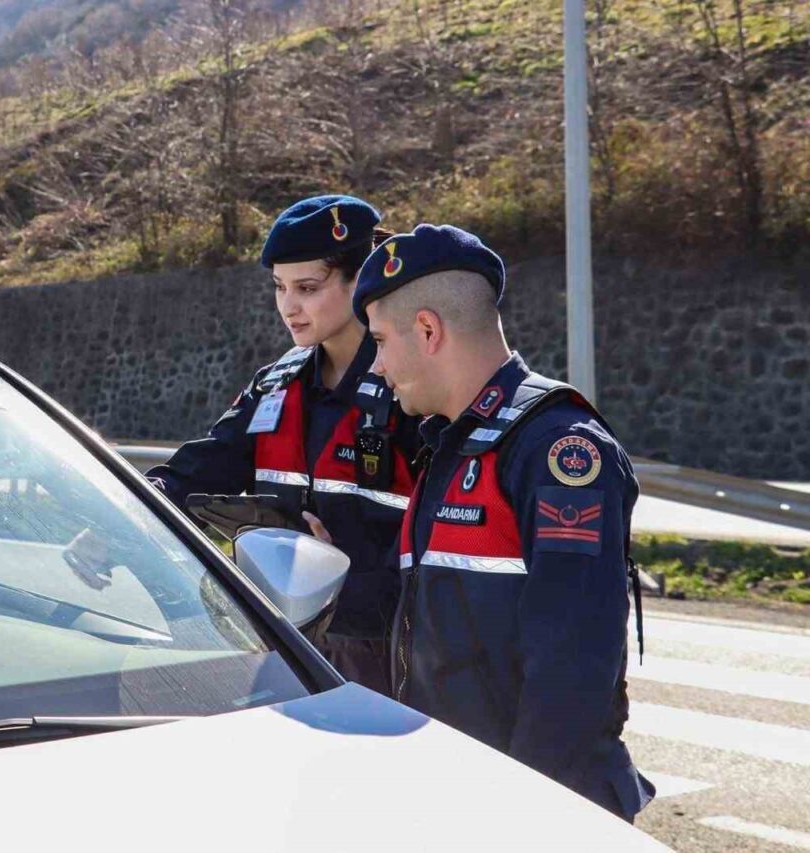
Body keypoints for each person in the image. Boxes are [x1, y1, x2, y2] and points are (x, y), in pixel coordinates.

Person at [352, 223, 654, 822]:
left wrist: (518, 818)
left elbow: (571, 675)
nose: (377, 366)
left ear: (428, 330)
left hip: (530, 811)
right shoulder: (451, 446)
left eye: (380, 342)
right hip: (461, 793)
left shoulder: (555, 449)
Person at [142, 194, 422, 693]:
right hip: (284, 644)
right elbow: (198, 469)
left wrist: (346, 584)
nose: (289, 307)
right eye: (279, 287)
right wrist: (123, 511)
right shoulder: (276, 384)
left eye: (307, 288)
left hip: (387, 655)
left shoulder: (412, 389)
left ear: (359, 281)